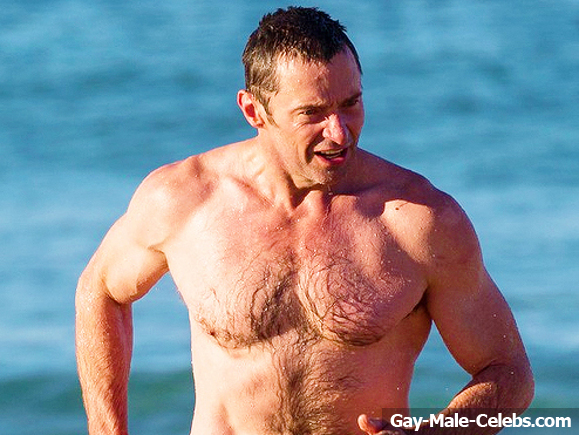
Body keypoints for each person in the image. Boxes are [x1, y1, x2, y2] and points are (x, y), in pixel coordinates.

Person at [75, 6, 534, 435]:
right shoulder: (184, 201)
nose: (339, 132)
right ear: (254, 111)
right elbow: (100, 292)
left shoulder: (418, 221)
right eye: (312, 113)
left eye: (351, 103)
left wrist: (439, 431)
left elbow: (508, 371)